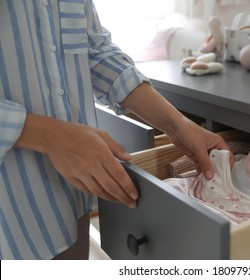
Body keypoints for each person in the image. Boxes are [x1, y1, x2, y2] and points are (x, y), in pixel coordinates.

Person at [0, 0, 232, 259]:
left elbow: (96, 53)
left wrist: (179, 125)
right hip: (11, 216)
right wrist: (53, 137)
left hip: (74, 198)